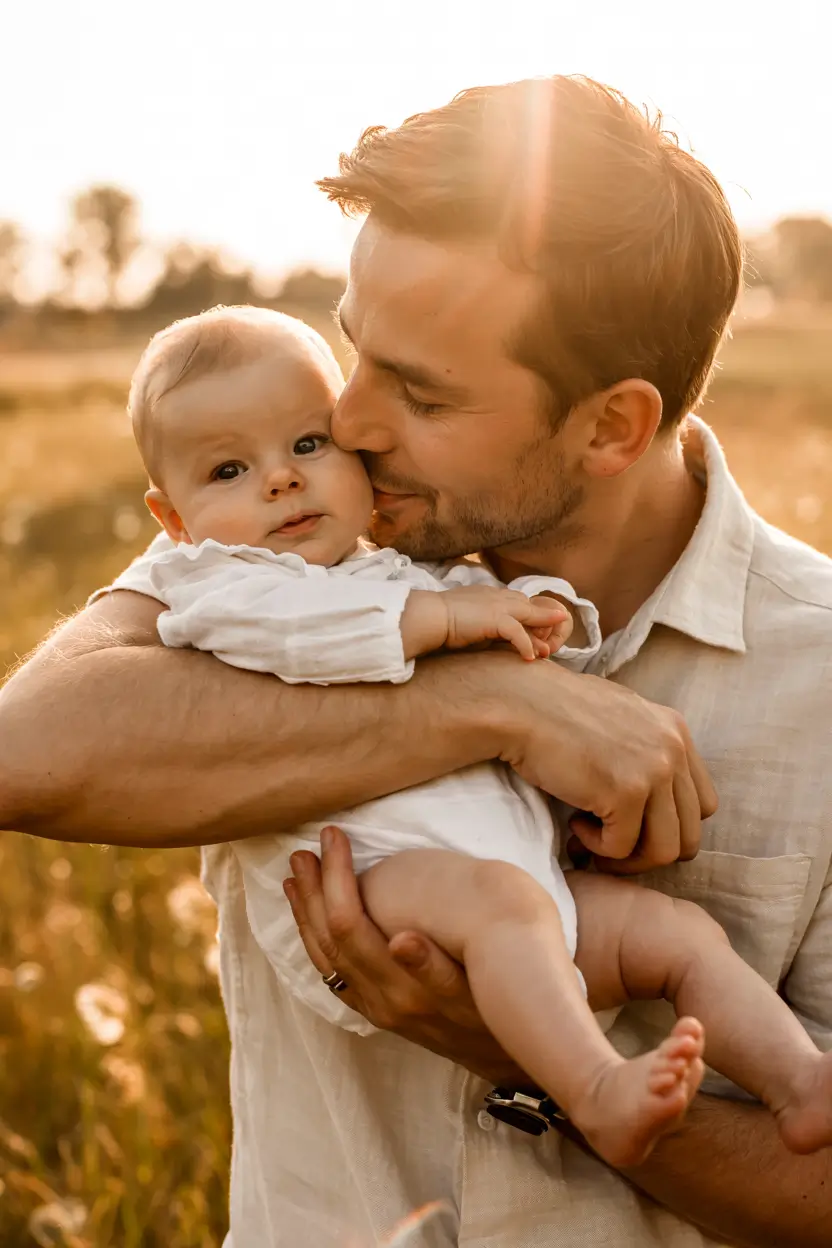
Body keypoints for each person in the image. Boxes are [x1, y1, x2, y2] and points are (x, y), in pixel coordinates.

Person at [1, 73, 830, 1246]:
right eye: (356, 350)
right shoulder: (284, 552)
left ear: (610, 426)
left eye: (421, 391)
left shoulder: (820, 674)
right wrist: (490, 704)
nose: (350, 419)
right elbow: (26, 754)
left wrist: (527, 1058)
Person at [120, 301, 832, 1174]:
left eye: (308, 445)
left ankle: (801, 1082)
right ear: (172, 519)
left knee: (674, 932)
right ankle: (595, 1091)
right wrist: (462, 626)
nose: (281, 481)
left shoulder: (393, 559)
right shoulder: (221, 584)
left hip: (507, 883)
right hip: (374, 888)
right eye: (229, 469)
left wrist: (539, 617)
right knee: (506, 911)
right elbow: (305, 638)